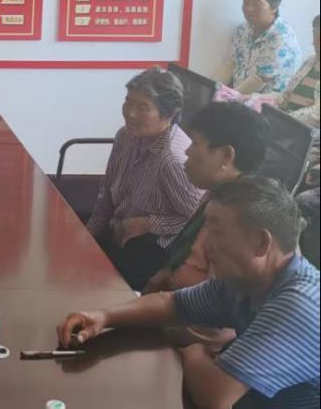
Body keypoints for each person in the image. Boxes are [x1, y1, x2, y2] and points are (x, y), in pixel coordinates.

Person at [58, 176, 319, 409]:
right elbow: (172, 304)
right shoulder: (243, 279)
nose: (204, 246)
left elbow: (215, 395)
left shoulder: (298, 305)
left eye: (216, 232)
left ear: (261, 243)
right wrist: (103, 316)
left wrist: (194, 350)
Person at [86, 67, 204, 290]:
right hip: (118, 230)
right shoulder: (125, 136)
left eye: (142, 108)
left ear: (169, 114)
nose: (130, 113)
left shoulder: (172, 160)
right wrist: (89, 234)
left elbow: (196, 219)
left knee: (91, 285)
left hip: (151, 249)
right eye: (128, 102)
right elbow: (107, 192)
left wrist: (148, 223)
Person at [144, 102, 268, 294]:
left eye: (195, 143)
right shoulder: (219, 192)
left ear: (225, 156)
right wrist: (166, 273)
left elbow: (216, 299)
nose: (187, 151)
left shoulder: (236, 220)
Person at [214, 0, 302, 95]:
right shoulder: (243, 29)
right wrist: (211, 88)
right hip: (237, 98)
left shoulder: (282, 38)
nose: (249, 9)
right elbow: (231, 63)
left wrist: (226, 99)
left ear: (274, 7)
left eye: (256, 4)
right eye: (246, 3)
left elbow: (259, 80)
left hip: (267, 103)